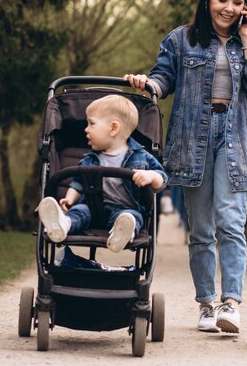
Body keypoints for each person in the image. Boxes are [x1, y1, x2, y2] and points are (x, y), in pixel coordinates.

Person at [124, 0, 247, 334]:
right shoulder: (180, 40)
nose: (229, 8)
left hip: (235, 140)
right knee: (202, 228)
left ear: (246, 6)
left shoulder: (245, 42)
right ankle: (207, 304)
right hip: (193, 139)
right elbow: (163, 79)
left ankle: (231, 304)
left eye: (238, 2)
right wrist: (148, 85)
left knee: (231, 223)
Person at [37, 95, 167, 253]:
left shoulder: (141, 157)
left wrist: (151, 176)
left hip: (124, 209)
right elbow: (78, 183)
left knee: (132, 216)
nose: (86, 129)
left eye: (91, 123)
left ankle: (123, 233)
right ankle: (63, 224)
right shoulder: (90, 159)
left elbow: (163, 178)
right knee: (79, 212)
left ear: (113, 128)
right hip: (93, 209)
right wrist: (70, 199)